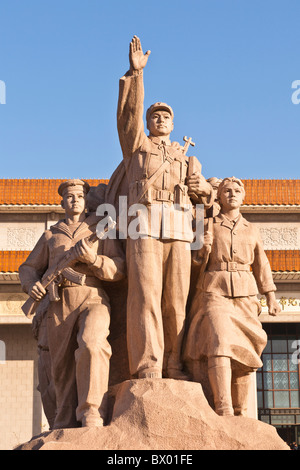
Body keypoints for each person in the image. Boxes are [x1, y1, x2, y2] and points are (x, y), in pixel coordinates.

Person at [117, 35, 213, 380]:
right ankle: (148, 364)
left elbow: (207, 196)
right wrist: (136, 74)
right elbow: (127, 117)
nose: (160, 120)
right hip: (142, 224)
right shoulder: (137, 146)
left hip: (177, 224)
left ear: (173, 124)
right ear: (147, 123)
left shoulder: (185, 156)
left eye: (165, 117)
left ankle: (175, 362)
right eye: (154, 116)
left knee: (175, 300)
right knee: (144, 297)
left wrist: (202, 189)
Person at [19, 179, 125, 429]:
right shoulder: (51, 235)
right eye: (69, 196)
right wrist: (31, 283)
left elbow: (118, 267)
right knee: (61, 364)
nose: (74, 200)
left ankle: (91, 411)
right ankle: (64, 420)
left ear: (86, 199)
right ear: (62, 201)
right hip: (59, 302)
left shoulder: (101, 229)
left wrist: (94, 259)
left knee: (93, 343)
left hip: (92, 296)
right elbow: (27, 268)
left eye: (79, 195)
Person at [184, 177, 281, 416]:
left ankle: (240, 410)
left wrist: (270, 295)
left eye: (237, 190)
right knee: (220, 342)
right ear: (219, 196)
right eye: (227, 190)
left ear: (243, 195)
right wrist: (201, 249)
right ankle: (223, 405)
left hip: (246, 295)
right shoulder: (207, 225)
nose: (232, 194)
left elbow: (261, 264)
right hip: (215, 290)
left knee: (246, 351)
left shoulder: (252, 229)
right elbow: (191, 265)